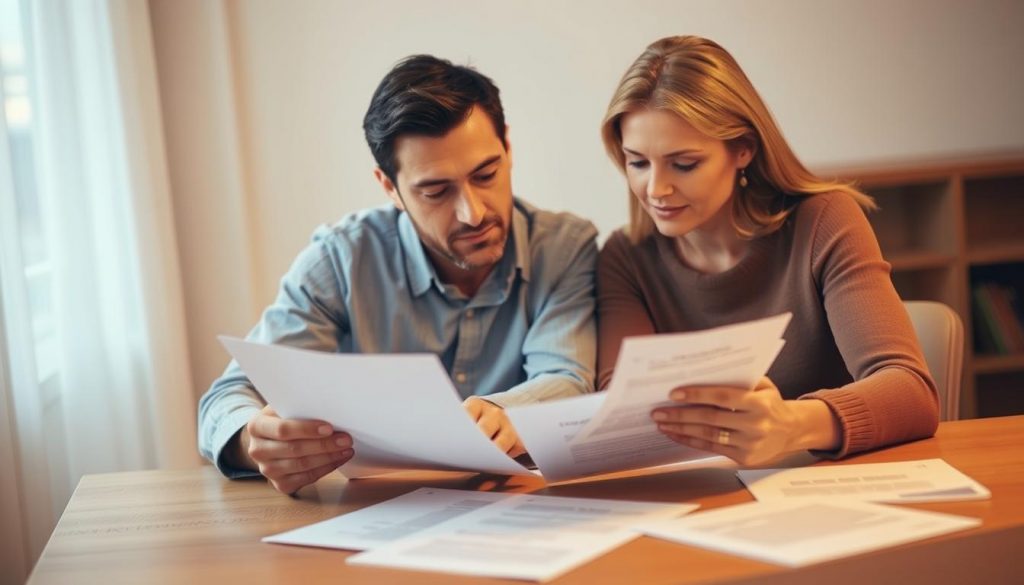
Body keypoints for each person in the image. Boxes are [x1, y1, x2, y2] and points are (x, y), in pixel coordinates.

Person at [199, 55, 598, 494]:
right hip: (371, 509)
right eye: (436, 191)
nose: (473, 213)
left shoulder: (564, 249)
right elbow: (229, 395)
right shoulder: (341, 259)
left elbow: (568, 377)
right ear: (389, 187)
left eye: (486, 174)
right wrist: (253, 441)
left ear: (508, 148)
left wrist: (506, 412)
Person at [597, 36, 938, 466]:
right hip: (702, 491)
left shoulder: (823, 221)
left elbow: (911, 392)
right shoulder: (625, 256)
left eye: (684, 164)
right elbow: (620, 409)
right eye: (637, 162)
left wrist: (792, 424)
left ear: (743, 149)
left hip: (828, 483)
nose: (656, 189)